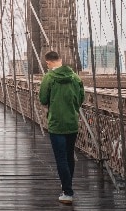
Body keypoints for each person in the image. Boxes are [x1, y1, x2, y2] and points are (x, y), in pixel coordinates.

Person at [39, 51, 84, 205]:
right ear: (61, 60)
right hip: (72, 123)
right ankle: (67, 185)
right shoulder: (76, 77)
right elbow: (81, 99)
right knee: (69, 156)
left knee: (61, 158)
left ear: (48, 62)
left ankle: (67, 192)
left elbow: (43, 99)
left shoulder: (49, 78)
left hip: (56, 124)